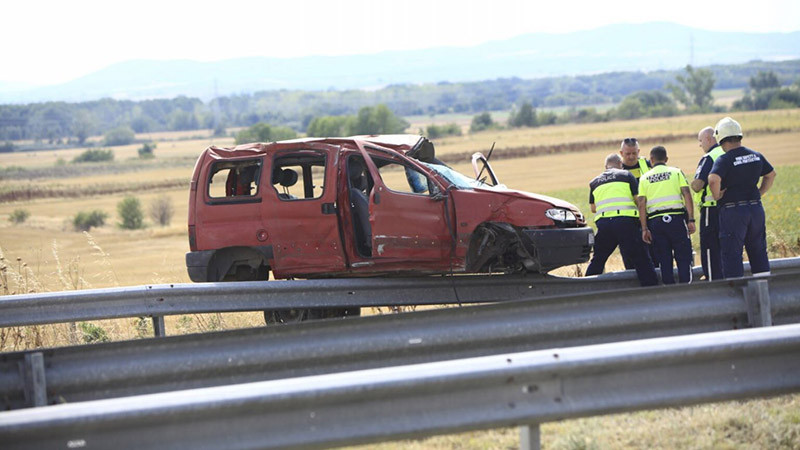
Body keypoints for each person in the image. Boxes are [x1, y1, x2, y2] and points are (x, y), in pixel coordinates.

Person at [708, 117, 776, 279]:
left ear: (721, 139)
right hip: (756, 209)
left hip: (733, 212)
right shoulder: (755, 155)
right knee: (758, 251)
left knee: (732, 253)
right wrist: (759, 193)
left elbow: (713, 179)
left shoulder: (724, 159)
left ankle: (737, 297)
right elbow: (771, 175)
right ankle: (763, 289)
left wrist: (717, 195)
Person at [585, 153, 658, 286]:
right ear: (620, 165)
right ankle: (651, 288)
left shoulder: (594, 182)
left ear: (605, 166)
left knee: (598, 259)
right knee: (641, 258)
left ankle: (586, 288)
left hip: (605, 224)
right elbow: (638, 200)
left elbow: (593, 208)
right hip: (625, 223)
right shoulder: (626, 175)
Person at [637, 146, 696, 284]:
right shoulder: (676, 172)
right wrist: (691, 219)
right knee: (683, 257)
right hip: (677, 220)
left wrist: (644, 229)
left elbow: (641, 203)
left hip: (656, 222)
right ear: (666, 159)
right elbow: (687, 194)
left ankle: (669, 291)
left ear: (651, 160)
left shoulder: (644, 178)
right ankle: (687, 288)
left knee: (664, 259)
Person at [691, 127, 725, 281]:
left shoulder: (709, 157)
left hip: (711, 209)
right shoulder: (727, 153)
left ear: (709, 139)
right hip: (728, 208)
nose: (700, 145)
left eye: (700, 141)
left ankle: (712, 278)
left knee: (710, 246)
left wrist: (689, 185)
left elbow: (698, 185)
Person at [618, 137, 654, 269]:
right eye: (628, 154)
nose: (631, 157)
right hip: (628, 218)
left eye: (634, 153)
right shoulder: (617, 169)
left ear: (638, 151)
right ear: (621, 153)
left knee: (653, 252)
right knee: (630, 254)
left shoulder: (647, 164)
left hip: (649, 215)